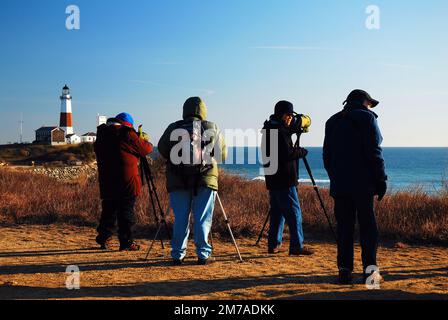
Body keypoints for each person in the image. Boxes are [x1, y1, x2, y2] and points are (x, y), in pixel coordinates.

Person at [323, 89, 387, 284]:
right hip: (363, 184)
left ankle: (344, 270)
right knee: (368, 229)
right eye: (369, 104)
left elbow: (327, 157)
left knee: (344, 228)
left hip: (340, 185)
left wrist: (335, 177)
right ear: (364, 102)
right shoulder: (367, 118)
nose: (370, 107)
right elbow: (374, 151)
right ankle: (370, 273)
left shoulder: (332, 121)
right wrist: (381, 179)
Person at [158, 97, 227, 265]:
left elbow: (162, 149)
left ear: (184, 110)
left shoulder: (174, 127)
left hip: (178, 180)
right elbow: (222, 155)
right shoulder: (211, 127)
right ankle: (203, 254)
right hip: (205, 179)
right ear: (203, 110)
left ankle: (177, 255)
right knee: (202, 217)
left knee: (181, 217)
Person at [261, 101, 314, 256]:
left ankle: (274, 244)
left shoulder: (269, 128)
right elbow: (287, 154)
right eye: (289, 115)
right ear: (282, 115)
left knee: (277, 212)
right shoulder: (279, 130)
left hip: (273, 178)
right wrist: (302, 151)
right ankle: (297, 246)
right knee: (294, 212)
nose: (291, 118)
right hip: (285, 179)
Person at [94, 112, 153, 251]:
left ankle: (103, 238)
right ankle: (126, 242)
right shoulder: (127, 134)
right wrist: (142, 138)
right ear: (128, 125)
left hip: (107, 181)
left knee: (108, 210)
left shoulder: (102, 135)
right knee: (126, 212)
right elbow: (146, 149)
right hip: (127, 182)